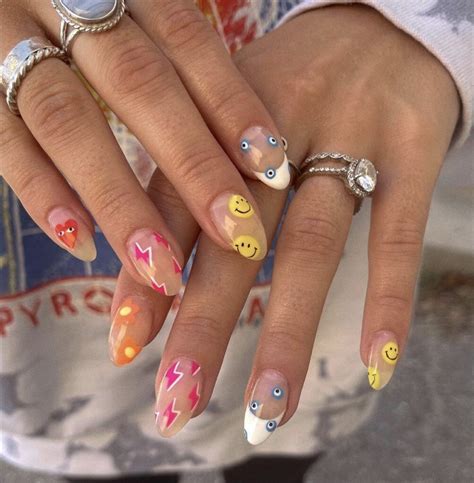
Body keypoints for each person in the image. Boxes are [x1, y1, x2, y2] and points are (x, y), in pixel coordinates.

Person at [0, 0, 471, 481]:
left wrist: (406, 25)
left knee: (279, 443)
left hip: (334, 98)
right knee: (101, 445)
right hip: (20, 128)